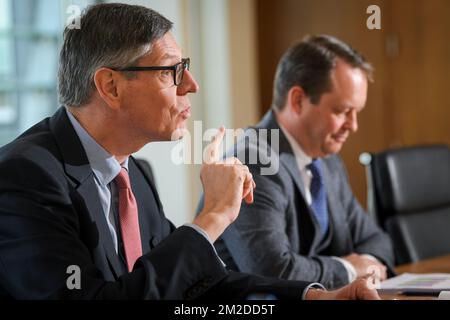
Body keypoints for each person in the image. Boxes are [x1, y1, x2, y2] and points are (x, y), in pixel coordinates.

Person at [0, 4, 378, 300]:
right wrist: (213, 216)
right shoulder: (24, 176)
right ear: (111, 87)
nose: (192, 85)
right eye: (172, 71)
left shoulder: (136, 173)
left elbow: (197, 290)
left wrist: (316, 297)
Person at [211, 35, 394, 289]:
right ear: (298, 100)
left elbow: (376, 239)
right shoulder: (252, 161)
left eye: (356, 112)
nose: (353, 126)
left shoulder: (328, 161)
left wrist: (370, 265)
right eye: (342, 111)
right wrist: (351, 270)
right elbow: (275, 271)